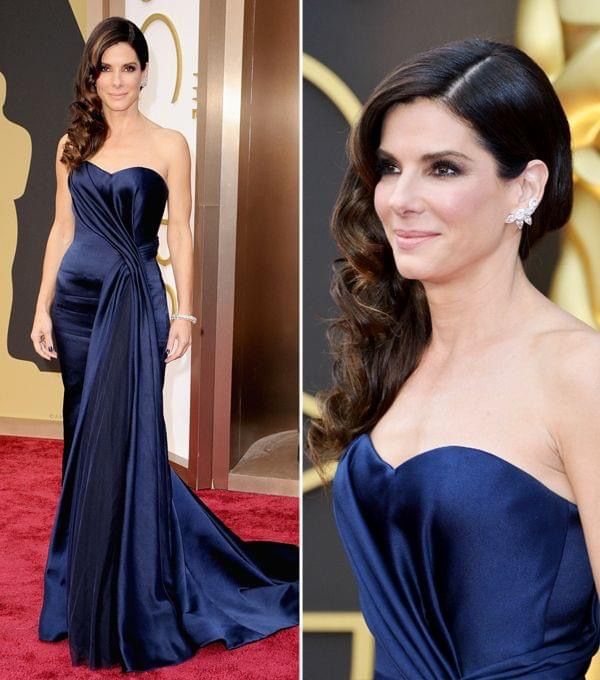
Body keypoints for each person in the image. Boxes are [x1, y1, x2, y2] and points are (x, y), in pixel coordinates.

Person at [307, 38, 600, 679]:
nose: (400, 199)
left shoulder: (582, 375)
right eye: (389, 167)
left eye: (442, 168)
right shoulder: (395, 354)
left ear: (524, 186)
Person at [32, 17, 298, 673]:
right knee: (83, 440)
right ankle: (78, 588)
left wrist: (186, 313)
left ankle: (137, 589)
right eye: (106, 69)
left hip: (137, 301)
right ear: (92, 76)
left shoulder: (171, 142)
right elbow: (60, 230)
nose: (117, 80)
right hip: (76, 304)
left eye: (128, 67)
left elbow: (180, 232)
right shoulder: (71, 143)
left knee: (129, 437)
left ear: (145, 73)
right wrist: (40, 306)